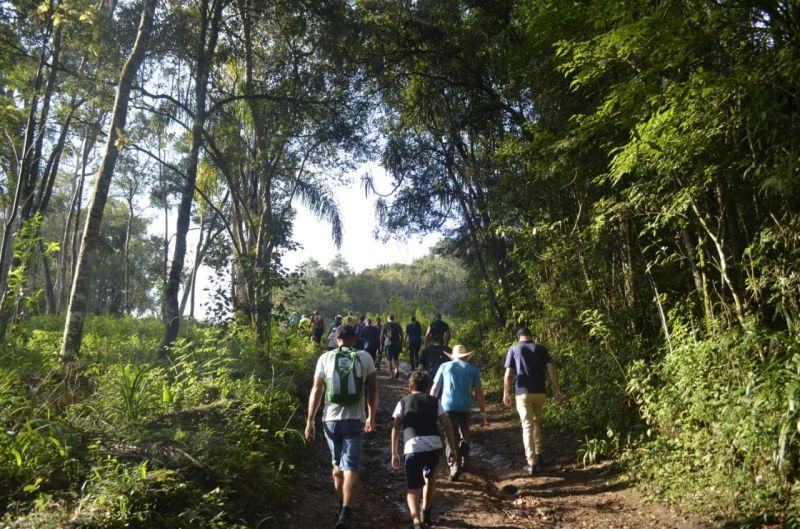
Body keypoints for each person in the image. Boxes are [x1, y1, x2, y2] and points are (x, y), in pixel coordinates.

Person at [305, 325, 378, 529]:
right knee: (351, 467)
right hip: (355, 420)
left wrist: (310, 421)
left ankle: (341, 505)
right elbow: (373, 390)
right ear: (354, 340)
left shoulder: (325, 358)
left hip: (330, 420)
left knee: (337, 466)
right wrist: (372, 416)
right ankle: (346, 511)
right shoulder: (365, 357)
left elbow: (316, 391)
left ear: (336, 340)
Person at [391, 371, 457, 529]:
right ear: (428, 388)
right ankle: (426, 511)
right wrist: (453, 448)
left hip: (412, 446)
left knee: (413, 487)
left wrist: (394, 452)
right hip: (434, 445)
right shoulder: (435, 402)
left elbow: (396, 428)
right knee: (430, 476)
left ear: (410, 386)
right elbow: (447, 424)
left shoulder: (403, 401)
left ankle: (416, 521)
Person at [503, 326, 563, 475]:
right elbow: (551, 369)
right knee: (536, 422)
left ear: (518, 337)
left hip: (522, 393)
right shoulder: (541, 349)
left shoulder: (513, 349)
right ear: (530, 336)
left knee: (527, 426)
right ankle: (539, 454)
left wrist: (506, 392)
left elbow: (508, 374)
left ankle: (531, 463)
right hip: (540, 392)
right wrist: (557, 389)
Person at [430, 344, 488, 481]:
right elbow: (479, 392)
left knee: (450, 435)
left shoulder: (444, 367)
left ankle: (454, 465)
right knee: (465, 431)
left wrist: (431, 405)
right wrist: (483, 412)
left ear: (453, 356)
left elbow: (435, 388)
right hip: (465, 406)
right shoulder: (473, 369)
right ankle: (465, 460)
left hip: (447, 406)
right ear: (466, 356)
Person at [381, 314, 404, 379]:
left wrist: (381, 345)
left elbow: (381, 336)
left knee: (389, 360)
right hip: (396, 344)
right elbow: (402, 335)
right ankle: (396, 369)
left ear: (388, 318)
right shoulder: (398, 325)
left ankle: (391, 375)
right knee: (396, 359)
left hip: (388, 344)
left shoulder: (385, 325)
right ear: (393, 318)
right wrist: (401, 344)